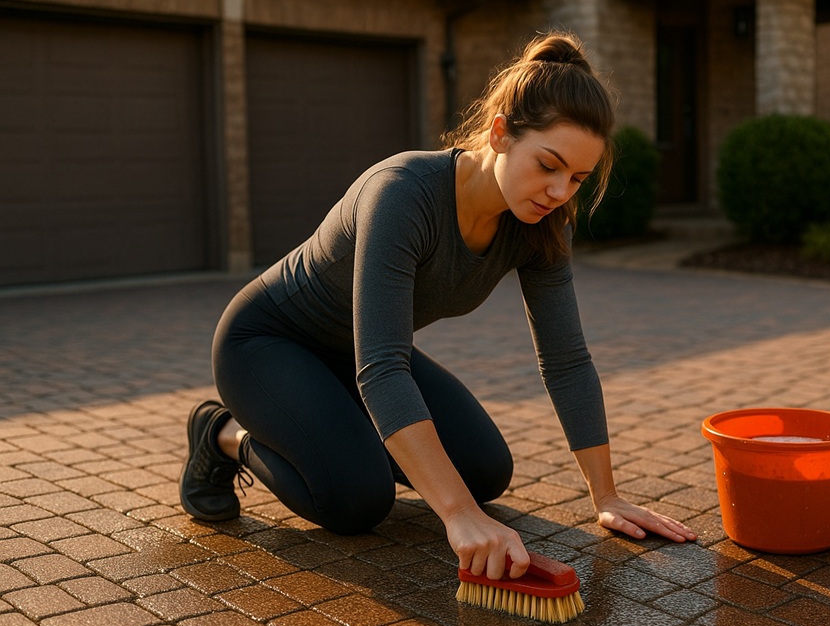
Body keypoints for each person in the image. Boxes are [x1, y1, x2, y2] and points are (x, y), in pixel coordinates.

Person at [179, 31, 696, 583]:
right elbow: (381, 367)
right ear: (499, 134)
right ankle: (222, 433)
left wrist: (606, 495)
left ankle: (338, 428)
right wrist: (457, 515)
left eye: (577, 178)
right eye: (548, 165)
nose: (558, 191)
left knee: (484, 472)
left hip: (352, 350)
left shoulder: (541, 227)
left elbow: (566, 359)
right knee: (356, 499)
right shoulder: (403, 192)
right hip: (267, 344)